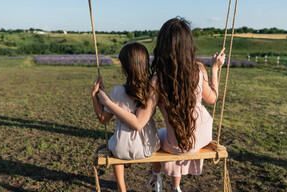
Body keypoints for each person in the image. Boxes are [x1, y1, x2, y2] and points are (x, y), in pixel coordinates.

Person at [97, 17, 226, 192]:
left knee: (161, 136)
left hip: (176, 146)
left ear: (162, 46)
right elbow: (213, 98)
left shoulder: (157, 81)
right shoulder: (198, 69)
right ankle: (175, 186)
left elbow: (139, 122)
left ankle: (156, 176)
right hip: (202, 137)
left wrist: (106, 101)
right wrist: (215, 69)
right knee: (177, 133)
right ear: (188, 45)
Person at [92, 42, 160, 192]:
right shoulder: (151, 89)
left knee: (115, 140)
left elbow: (103, 119)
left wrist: (95, 96)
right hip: (149, 147)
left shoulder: (117, 92)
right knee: (160, 135)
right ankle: (157, 175)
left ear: (125, 68)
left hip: (122, 149)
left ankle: (121, 187)